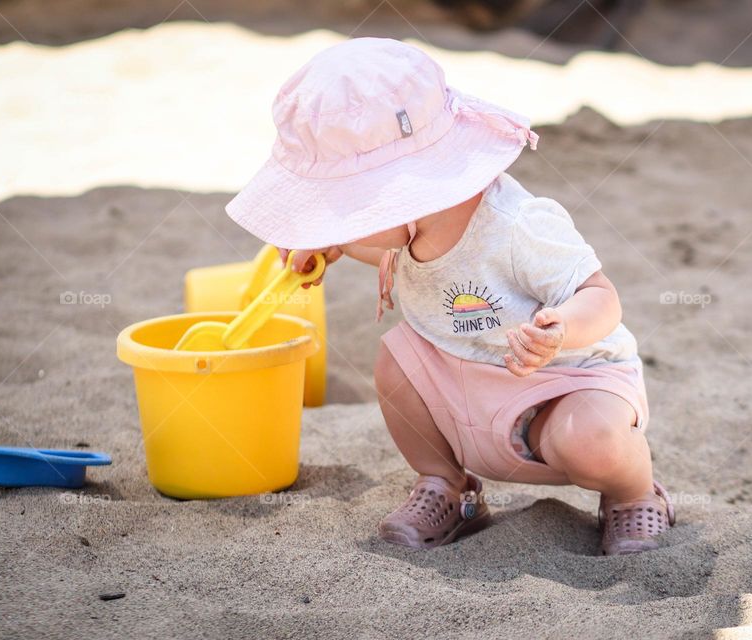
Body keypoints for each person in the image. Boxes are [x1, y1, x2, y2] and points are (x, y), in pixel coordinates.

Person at [225, 37, 674, 555]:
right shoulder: (409, 224)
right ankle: (447, 485)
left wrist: (562, 329)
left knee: (591, 440)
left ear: (407, 184)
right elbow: (409, 262)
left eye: (351, 205)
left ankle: (634, 495)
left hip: (558, 385)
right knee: (397, 357)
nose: (347, 220)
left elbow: (601, 295)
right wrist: (327, 246)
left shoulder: (517, 225)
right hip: (464, 383)